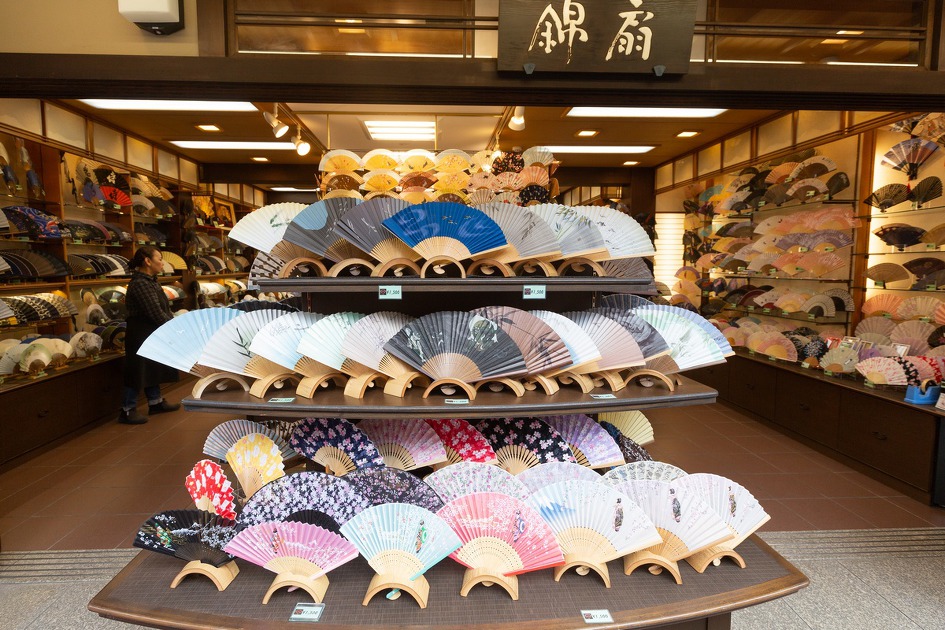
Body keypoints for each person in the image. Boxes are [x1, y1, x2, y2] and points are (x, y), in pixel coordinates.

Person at [119, 246, 180, 424]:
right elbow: (155, 312)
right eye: (159, 259)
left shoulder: (150, 281)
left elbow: (163, 309)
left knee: (151, 367)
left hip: (150, 331)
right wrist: (174, 327)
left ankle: (155, 402)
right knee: (137, 370)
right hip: (140, 333)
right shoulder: (140, 283)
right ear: (147, 261)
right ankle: (127, 410)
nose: (162, 263)